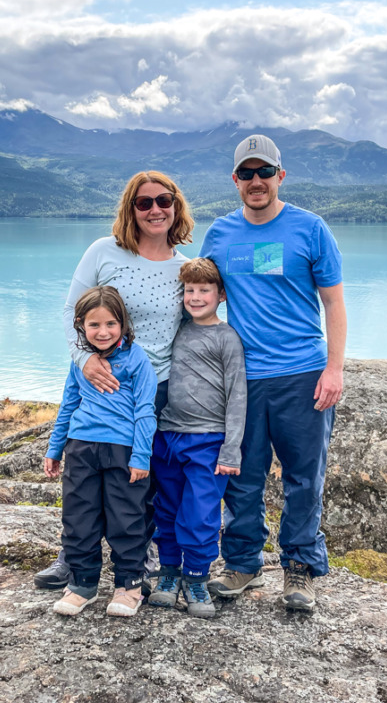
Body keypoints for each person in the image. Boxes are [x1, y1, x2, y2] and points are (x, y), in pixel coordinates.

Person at [201, 134, 346, 612]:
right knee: (242, 475)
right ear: (236, 181)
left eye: (265, 172)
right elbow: (197, 298)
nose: (257, 181)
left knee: (304, 476)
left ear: (280, 176)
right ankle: (242, 564)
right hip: (242, 377)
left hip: (302, 373)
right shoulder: (220, 234)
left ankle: (300, 568)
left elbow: (334, 303)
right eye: (247, 173)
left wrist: (334, 368)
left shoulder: (310, 229)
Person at [34, 171, 194, 590]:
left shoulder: (184, 267)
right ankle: (72, 558)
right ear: (131, 208)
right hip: (100, 382)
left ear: (176, 206)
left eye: (164, 200)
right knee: (85, 482)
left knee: (142, 479)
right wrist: (84, 359)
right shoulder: (104, 252)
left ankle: (139, 560)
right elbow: (73, 312)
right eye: (144, 203)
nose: (155, 209)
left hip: (157, 386)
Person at [44, 285, 157, 617]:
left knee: (127, 518)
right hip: (82, 448)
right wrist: (55, 448)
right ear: (80, 325)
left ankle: (129, 585)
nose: (103, 332)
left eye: (111, 324)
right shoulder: (81, 362)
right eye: (94, 325)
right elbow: (68, 405)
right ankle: (82, 584)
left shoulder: (137, 359)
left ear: (122, 323)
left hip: (123, 449)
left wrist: (141, 455)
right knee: (79, 517)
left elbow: (145, 410)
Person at [148, 258, 246, 618]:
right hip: (169, 436)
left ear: (220, 295)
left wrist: (231, 448)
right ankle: (169, 573)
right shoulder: (177, 330)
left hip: (208, 441)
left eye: (204, 290)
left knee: (201, 513)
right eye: (189, 290)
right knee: (168, 507)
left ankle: (197, 578)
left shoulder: (227, 338)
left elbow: (238, 395)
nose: (195, 296)